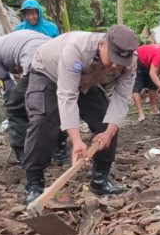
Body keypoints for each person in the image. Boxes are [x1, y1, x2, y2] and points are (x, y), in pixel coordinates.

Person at [21, 25, 139, 204]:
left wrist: (108, 133)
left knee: (105, 120)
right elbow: (67, 95)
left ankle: (100, 179)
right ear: (102, 45)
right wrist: (76, 141)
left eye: (121, 63)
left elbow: (122, 98)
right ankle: (34, 183)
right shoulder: (76, 49)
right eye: (113, 60)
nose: (116, 67)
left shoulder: (130, 63)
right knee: (43, 120)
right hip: (48, 74)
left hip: (86, 82)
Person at [0, 30, 51, 162]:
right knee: (51, 104)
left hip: (37, 63)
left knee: (14, 106)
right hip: (59, 54)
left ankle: (23, 155)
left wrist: (11, 105)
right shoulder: (10, 41)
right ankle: (60, 151)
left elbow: (8, 90)